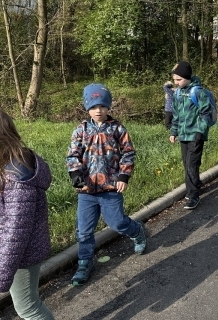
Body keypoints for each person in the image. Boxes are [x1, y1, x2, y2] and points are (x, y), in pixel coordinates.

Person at [0, 109, 55, 320]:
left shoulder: (16, 178)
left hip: (21, 255)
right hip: (2, 252)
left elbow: (16, 231)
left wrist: (1, 273)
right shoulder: (4, 167)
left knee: (28, 308)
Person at [66, 83, 146, 286]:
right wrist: (75, 173)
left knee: (117, 222)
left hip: (110, 187)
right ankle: (84, 262)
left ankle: (136, 231)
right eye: (93, 107)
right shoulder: (81, 130)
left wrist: (123, 176)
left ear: (108, 106)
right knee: (84, 230)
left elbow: (128, 152)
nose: (98, 110)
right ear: (87, 108)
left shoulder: (117, 128)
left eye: (102, 106)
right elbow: (72, 154)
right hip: (86, 190)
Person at [169, 61, 214, 210]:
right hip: (183, 135)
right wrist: (174, 132)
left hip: (195, 134)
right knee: (188, 163)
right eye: (174, 80)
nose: (176, 83)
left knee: (191, 164)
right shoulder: (177, 93)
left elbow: (206, 112)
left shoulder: (198, 92)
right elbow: (176, 114)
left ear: (187, 77)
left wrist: (200, 131)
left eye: (179, 79)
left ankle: (193, 195)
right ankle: (195, 184)